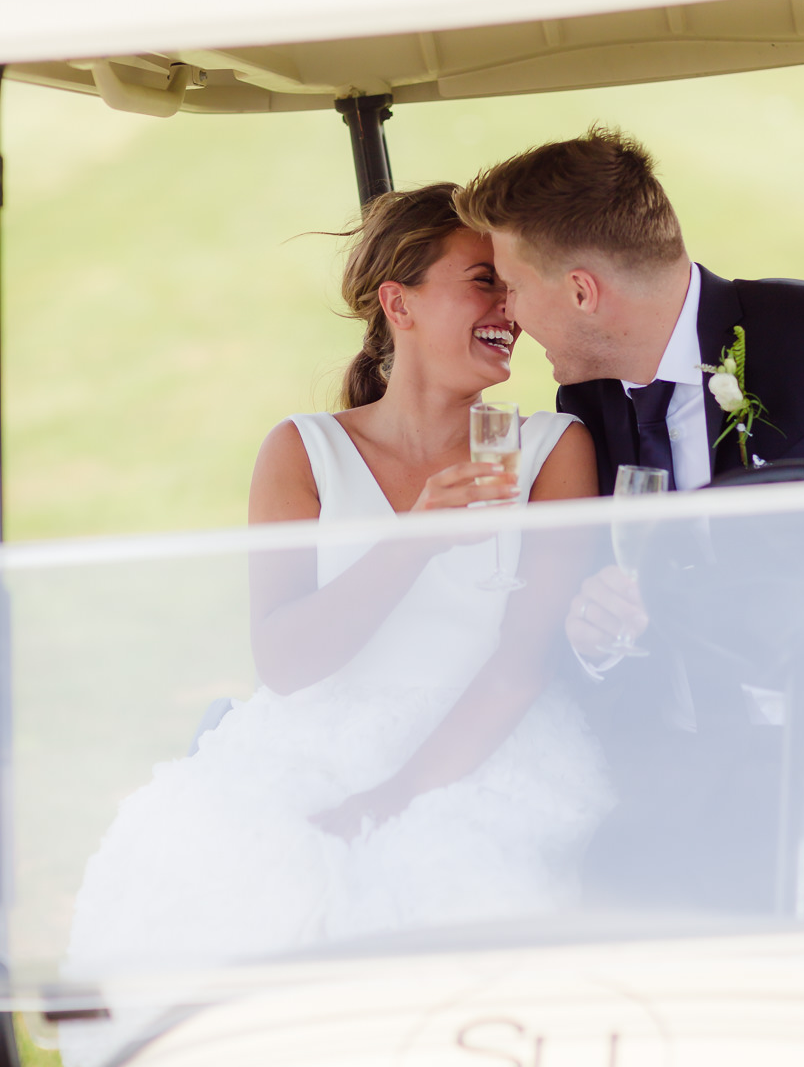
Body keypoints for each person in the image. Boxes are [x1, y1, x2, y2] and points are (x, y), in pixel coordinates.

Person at [60, 185, 613, 1066]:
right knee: (235, 919)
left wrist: (388, 804)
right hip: (305, 750)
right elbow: (285, 662)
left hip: (480, 755)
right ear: (399, 303)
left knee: (439, 935)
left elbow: (519, 667)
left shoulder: (550, 448)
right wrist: (416, 539)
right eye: (482, 282)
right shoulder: (302, 451)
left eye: (511, 284)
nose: (510, 307)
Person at [455, 125, 804, 661]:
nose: (510, 313)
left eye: (513, 288)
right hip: (695, 735)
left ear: (581, 292)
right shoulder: (588, 405)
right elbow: (611, 605)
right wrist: (600, 643)